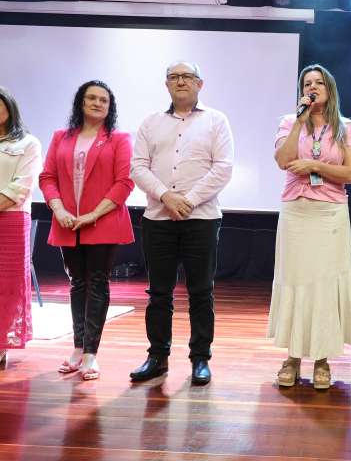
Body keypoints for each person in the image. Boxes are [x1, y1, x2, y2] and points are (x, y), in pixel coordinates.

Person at [129, 61, 234, 385]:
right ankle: (157, 357)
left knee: (201, 292)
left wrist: (187, 200)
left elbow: (223, 168)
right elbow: (138, 167)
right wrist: (166, 197)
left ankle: (200, 359)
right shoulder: (151, 122)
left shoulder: (216, 120)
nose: (180, 81)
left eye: (187, 76)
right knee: (158, 293)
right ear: (166, 85)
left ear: (200, 83)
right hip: (158, 219)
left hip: (201, 218)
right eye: (174, 77)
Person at [268, 64, 351, 389]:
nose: (312, 87)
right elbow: (282, 161)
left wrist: (313, 165)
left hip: (330, 213)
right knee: (295, 281)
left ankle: (322, 360)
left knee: (324, 284)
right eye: (306, 83)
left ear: (329, 88)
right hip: (296, 210)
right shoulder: (288, 122)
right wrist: (299, 122)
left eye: (318, 82)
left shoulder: (347, 127)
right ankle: (292, 358)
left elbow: (350, 174)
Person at [39, 80, 134, 381]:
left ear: (110, 107)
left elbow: (124, 182)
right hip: (67, 222)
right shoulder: (61, 137)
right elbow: (47, 177)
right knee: (77, 283)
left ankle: (91, 354)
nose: (97, 103)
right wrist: (59, 210)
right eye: (91, 98)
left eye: (103, 100)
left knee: (97, 282)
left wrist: (93, 214)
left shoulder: (119, 139)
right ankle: (78, 349)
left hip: (103, 221)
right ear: (80, 102)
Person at [0, 86, 42, 369]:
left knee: (6, 284)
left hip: (11, 219)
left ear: (9, 107)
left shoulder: (28, 143)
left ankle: (1, 343)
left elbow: (21, 186)